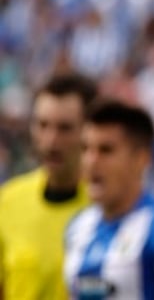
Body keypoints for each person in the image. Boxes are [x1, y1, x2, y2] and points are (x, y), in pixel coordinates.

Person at [64, 100, 154, 300]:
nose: (91, 161)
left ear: (141, 159)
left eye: (106, 150)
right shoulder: (77, 227)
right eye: (86, 149)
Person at [0, 73, 98, 299]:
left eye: (65, 128)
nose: (51, 141)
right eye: (42, 125)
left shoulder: (109, 208)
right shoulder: (8, 202)